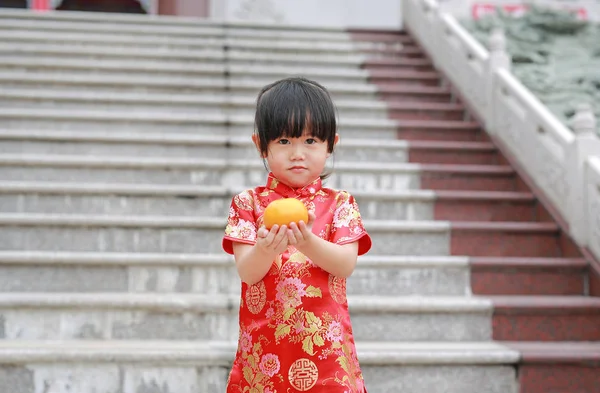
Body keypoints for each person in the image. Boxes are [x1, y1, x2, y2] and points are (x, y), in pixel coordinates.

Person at [222, 77, 372, 393]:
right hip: (265, 352)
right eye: (284, 142)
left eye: (311, 141)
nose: (298, 154)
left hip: (326, 352)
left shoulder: (340, 203)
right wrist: (265, 248)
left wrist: (307, 241)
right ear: (260, 144)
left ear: (331, 143)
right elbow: (248, 273)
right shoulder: (247, 203)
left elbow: (345, 265)